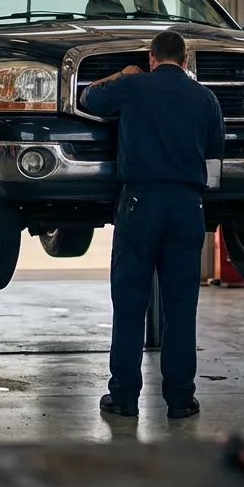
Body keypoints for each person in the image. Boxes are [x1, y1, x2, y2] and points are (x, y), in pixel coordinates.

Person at [78, 29, 225, 420]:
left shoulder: (134, 87)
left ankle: (124, 397)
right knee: (181, 307)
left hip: (140, 203)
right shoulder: (206, 98)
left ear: (150, 57)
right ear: (186, 59)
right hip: (186, 206)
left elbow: (88, 98)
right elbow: (214, 152)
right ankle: (180, 400)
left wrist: (121, 76)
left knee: (129, 304)